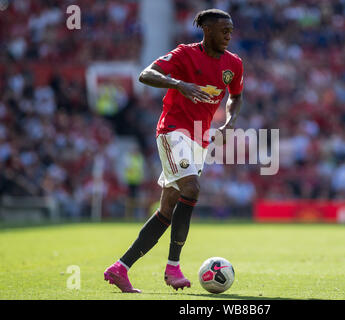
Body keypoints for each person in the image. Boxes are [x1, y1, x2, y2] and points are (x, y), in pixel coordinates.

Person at [104, 8, 243, 293]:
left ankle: (120, 268)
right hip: (173, 131)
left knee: (167, 210)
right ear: (206, 30)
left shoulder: (234, 64)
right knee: (192, 189)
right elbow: (146, 74)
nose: (229, 35)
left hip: (200, 139)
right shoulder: (183, 55)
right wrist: (179, 84)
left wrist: (230, 122)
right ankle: (173, 267)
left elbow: (236, 97)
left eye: (231, 30)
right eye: (223, 30)